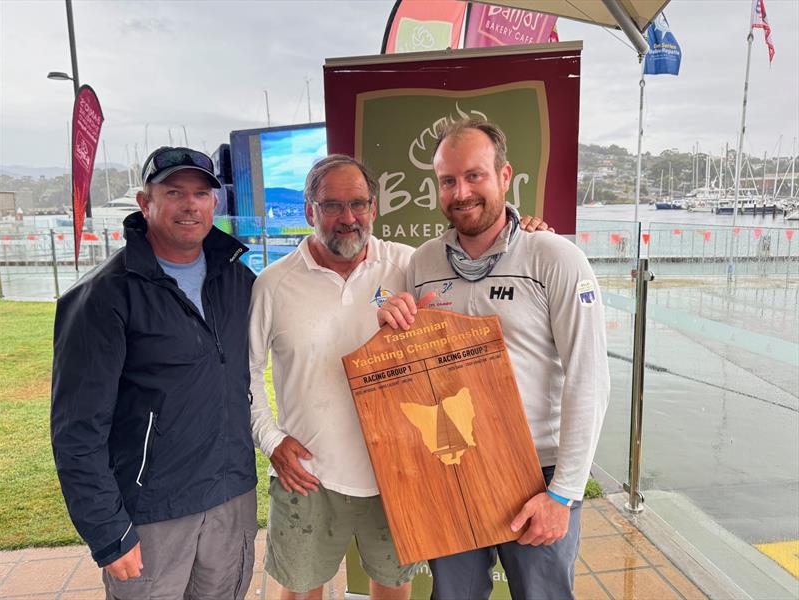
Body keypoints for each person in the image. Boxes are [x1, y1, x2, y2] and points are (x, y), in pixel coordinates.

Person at [248, 154, 551, 600]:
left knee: (393, 587)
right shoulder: (272, 284)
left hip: (402, 471)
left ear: (375, 207)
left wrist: (525, 238)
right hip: (310, 476)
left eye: (359, 204)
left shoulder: (411, 265)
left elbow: (479, 274)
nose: (347, 218)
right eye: (331, 206)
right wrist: (271, 442)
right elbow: (247, 375)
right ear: (310, 211)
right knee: (298, 590)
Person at [377, 119, 610, 600]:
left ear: (505, 177)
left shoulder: (555, 258)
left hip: (537, 475)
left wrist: (563, 493)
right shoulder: (421, 264)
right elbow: (411, 369)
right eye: (447, 180)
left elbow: (589, 380)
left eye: (474, 176)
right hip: (452, 468)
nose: (461, 192)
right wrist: (391, 322)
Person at [51, 147, 258, 600]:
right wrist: (108, 532)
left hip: (231, 499)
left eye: (201, 193)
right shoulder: (103, 297)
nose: (190, 205)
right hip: (153, 513)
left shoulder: (239, 282)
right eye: (174, 192)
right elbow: (77, 430)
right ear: (146, 204)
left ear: (215, 203)